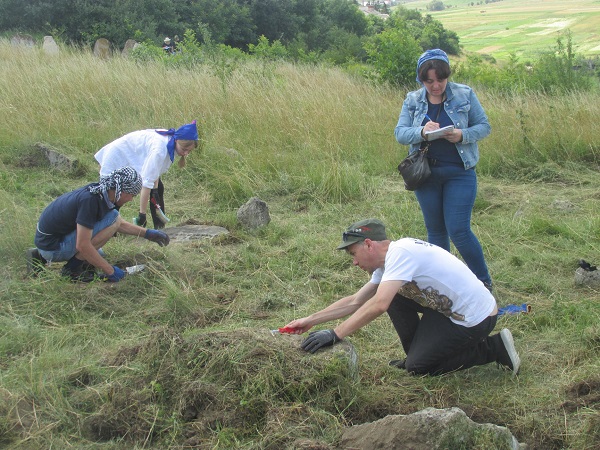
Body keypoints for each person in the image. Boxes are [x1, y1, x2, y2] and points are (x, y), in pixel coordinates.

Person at [284, 219, 520, 376]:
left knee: (420, 367)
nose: (354, 262)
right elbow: (357, 301)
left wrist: (335, 334)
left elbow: (379, 305)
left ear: (368, 244)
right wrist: (311, 320)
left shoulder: (402, 253)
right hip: (445, 309)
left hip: (474, 319)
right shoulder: (386, 264)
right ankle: (416, 356)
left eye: (354, 254)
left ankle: (493, 348)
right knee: (392, 296)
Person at [394, 49, 493, 291]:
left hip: (460, 172)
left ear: (447, 76)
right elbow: (400, 133)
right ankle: (445, 286)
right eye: (429, 81)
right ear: (421, 80)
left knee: (458, 230)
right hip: (425, 175)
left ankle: (483, 283)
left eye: (441, 79)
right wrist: (422, 132)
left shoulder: (465, 94)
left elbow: (484, 126)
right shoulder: (413, 100)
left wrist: (462, 135)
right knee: (436, 232)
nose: (436, 85)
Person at [26, 167, 170, 282]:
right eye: (132, 195)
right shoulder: (90, 201)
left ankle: (39, 257)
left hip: (49, 240)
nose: (131, 199)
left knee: (99, 253)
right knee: (110, 223)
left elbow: (119, 224)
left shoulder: (101, 192)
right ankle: (71, 270)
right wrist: (111, 271)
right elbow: (82, 245)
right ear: (122, 191)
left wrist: (148, 234)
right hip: (52, 246)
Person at [94, 120, 199, 229]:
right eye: (184, 149)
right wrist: (142, 214)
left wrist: (154, 191)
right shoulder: (159, 150)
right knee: (114, 193)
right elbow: (146, 183)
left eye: (189, 151)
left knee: (158, 189)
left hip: (134, 155)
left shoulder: (170, 141)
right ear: (177, 140)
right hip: (118, 155)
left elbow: (154, 173)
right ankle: (108, 227)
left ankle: (159, 225)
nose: (186, 153)